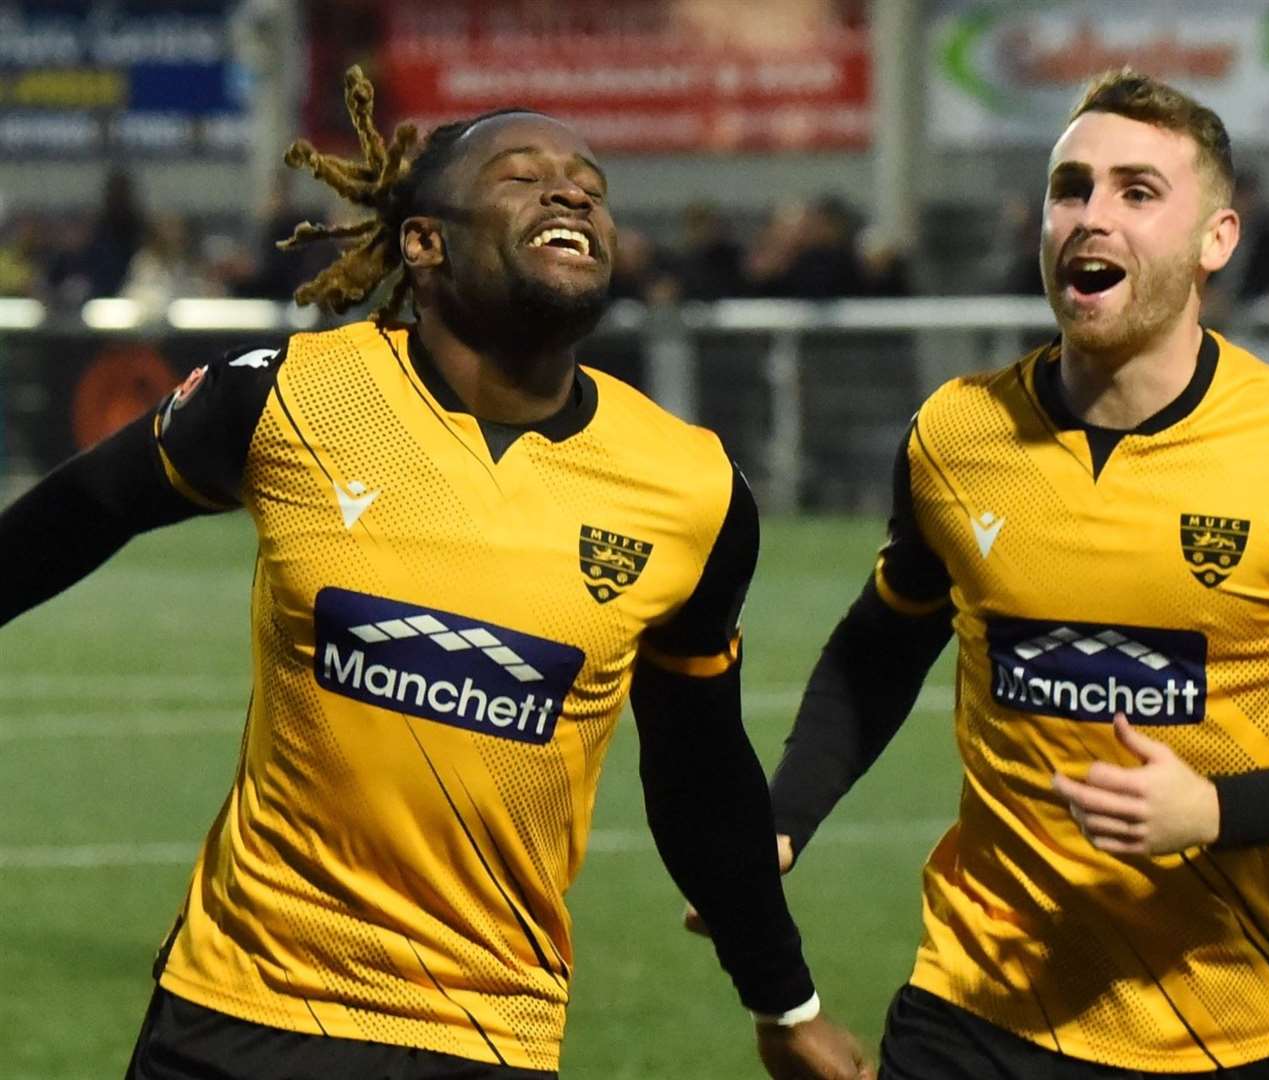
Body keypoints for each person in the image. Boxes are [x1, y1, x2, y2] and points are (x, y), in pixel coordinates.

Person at [0, 68, 871, 1080]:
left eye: (589, 184)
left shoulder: (692, 487)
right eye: (522, 176)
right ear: (425, 242)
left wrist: (784, 999)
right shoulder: (290, 398)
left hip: (484, 1037)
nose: (571, 193)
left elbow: (699, 770)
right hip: (237, 1017)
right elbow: (75, 514)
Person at [758, 69, 1269, 1078]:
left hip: (1206, 1034)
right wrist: (783, 817)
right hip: (969, 1005)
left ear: (1213, 242)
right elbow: (881, 641)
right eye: (1071, 189)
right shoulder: (956, 433)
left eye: (1138, 193)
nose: (1092, 217)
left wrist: (1216, 814)